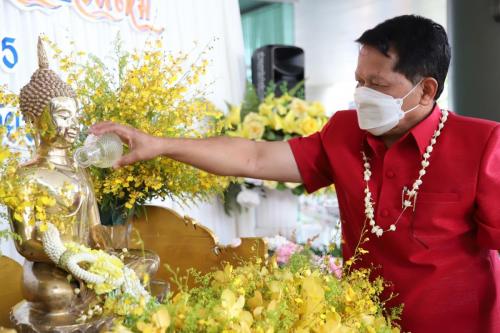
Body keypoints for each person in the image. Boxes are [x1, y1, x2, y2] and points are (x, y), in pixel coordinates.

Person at [91, 15, 500, 333]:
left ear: (425, 91)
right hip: (358, 322)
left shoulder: (481, 144)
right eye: (360, 82)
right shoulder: (345, 131)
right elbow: (254, 158)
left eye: (377, 85)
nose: (363, 96)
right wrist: (160, 145)